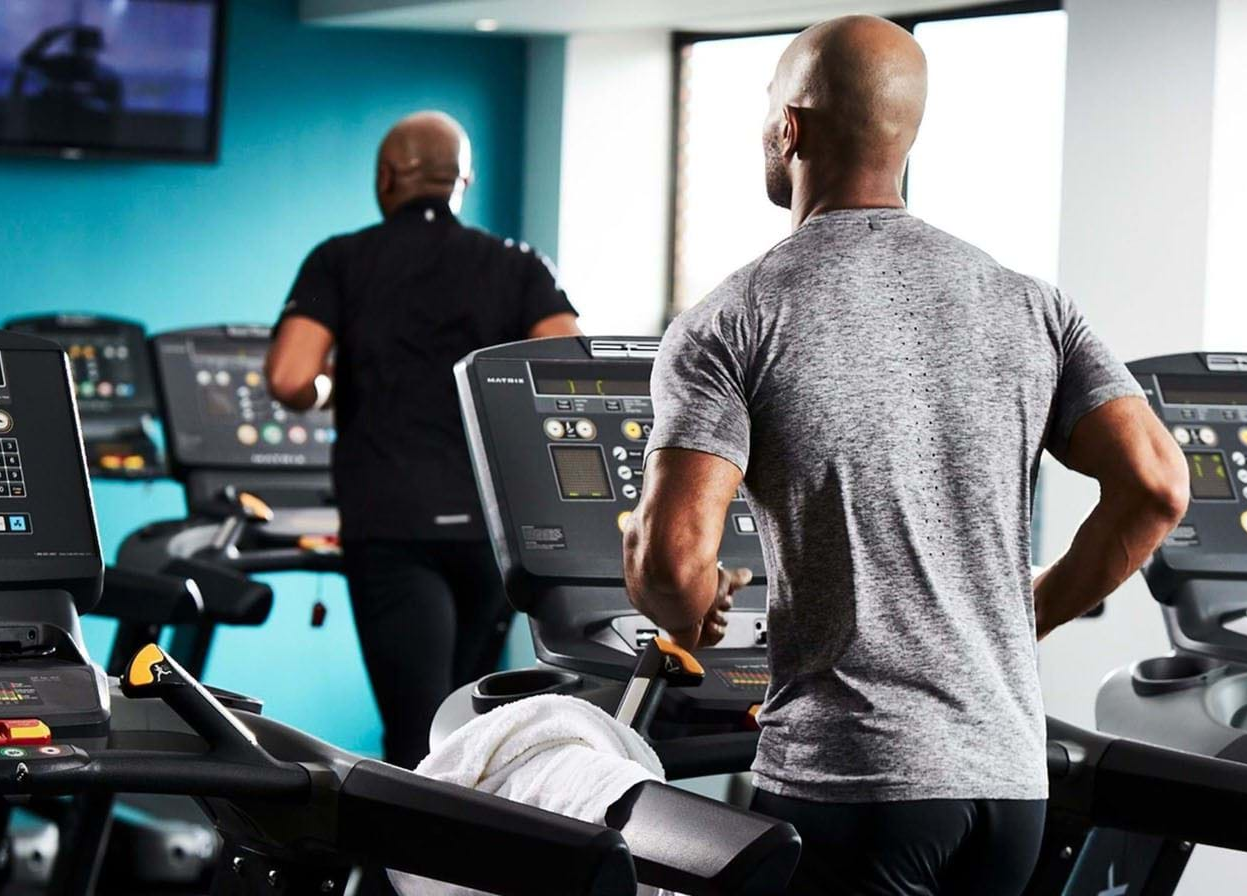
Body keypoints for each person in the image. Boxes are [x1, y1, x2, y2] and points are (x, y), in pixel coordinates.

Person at [622, 15, 1188, 896]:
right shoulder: (1030, 303)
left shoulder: (734, 319)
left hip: (853, 783)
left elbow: (672, 566)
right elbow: (1155, 488)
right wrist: (1019, 616)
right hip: (1008, 782)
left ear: (790, 128)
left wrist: (680, 598)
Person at [267, 111, 582, 771]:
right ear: (461, 181)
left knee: (415, 739)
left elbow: (291, 376)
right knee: (471, 733)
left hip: (393, 524)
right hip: (491, 534)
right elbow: (565, 372)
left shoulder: (341, 259)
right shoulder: (515, 263)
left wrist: (330, 388)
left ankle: (403, 872)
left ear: (386, 178)